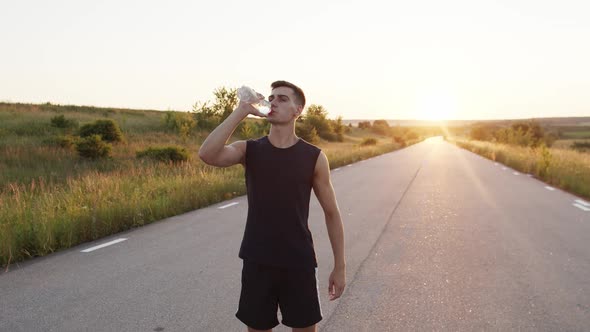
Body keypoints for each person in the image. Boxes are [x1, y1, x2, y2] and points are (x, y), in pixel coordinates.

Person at [199, 80, 346, 332]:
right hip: (258, 260)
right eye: (271, 97)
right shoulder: (249, 150)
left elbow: (332, 213)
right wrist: (241, 111)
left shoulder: (314, 157)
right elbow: (208, 154)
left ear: (297, 110)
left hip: (298, 261)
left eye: (283, 98)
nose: (274, 101)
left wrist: (340, 266)